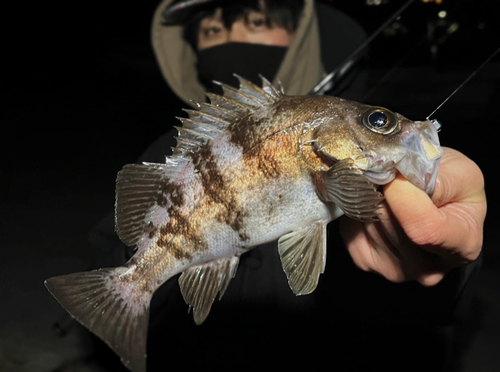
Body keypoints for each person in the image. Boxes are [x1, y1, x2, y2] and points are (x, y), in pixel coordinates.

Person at [87, 0, 486, 370]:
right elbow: (112, 238)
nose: (232, 40)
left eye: (256, 21)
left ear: (302, 31)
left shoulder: (342, 146)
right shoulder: (172, 150)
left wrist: (440, 259)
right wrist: (141, 265)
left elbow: (418, 313)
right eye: (211, 31)